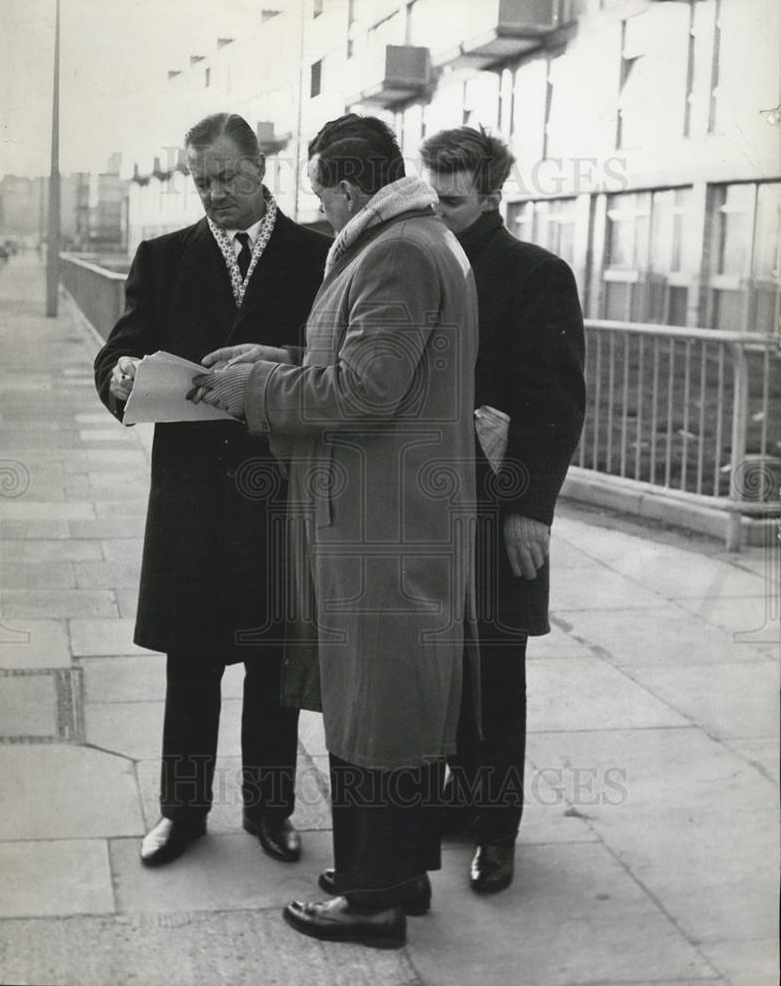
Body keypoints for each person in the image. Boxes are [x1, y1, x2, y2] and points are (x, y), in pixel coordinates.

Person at [189, 113, 480, 949]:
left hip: (378, 525)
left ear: (347, 184)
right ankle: (399, 870)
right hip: (393, 514)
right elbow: (365, 361)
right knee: (394, 701)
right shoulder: (419, 240)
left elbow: (364, 391)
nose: (313, 201)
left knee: (376, 708)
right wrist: (277, 360)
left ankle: (372, 898)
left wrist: (253, 394)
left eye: (317, 187)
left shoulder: (392, 250)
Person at [93, 113, 330, 867]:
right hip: (192, 498)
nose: (215, 193)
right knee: (189, 664)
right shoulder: (162, 258)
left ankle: (270, 810)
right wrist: (120, 375)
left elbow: (335, 358)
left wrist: (283, 356)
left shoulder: (319, 255)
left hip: (277, 490)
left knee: (273, 663)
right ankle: (181, 813)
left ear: (261, 170)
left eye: (227, 177)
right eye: (201, 181)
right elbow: (123, 349)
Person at [420, 126, 586, 894]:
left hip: (495, 509)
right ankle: (462, 801)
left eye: (452, 200)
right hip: (426, 506)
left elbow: (555, 406)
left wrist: (528, 510)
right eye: (432, 196)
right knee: (441, 666)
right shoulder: (422, 261)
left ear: (491, 194)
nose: (439, 211)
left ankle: (497, 830)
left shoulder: (534, 273)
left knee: (495, 666)